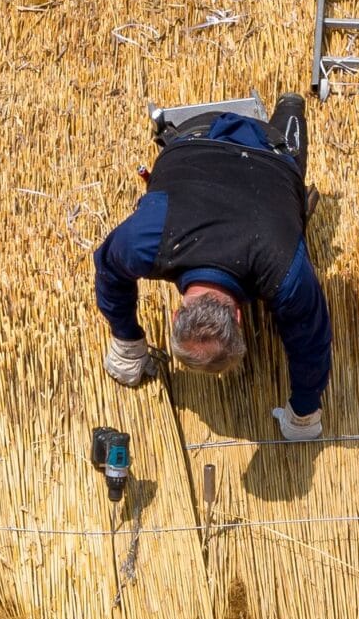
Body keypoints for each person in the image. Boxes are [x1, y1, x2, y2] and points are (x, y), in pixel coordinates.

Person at [92, 93, 331, 441]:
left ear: (237, 319)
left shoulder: (281, 269)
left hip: (245, 147)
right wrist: (125, 339)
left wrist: (306, 415)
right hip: (195, 140)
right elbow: (108, 266)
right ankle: (290, 106)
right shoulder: (150, 239)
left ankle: (291, 109)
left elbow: (314, 339)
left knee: (291, 182)